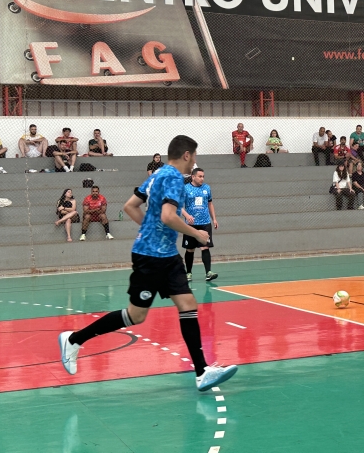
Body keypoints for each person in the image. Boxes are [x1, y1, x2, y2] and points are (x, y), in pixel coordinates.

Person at [58, 135, 238, 392]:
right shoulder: (174, 178)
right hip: (150, 256)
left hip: (167, 255)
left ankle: (202, 372)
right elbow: (168, 216)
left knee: (187, 303)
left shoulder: (157, 175)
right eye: (194, 156)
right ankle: (74, 340)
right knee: (136, 315)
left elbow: (130, 206)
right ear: (186, 155)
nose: (195, 162)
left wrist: (149, 228)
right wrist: (196, 234)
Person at [181, 167, 219, 282]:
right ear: (193, 177)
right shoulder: (185, 189)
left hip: (205, 223)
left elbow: (210, 204)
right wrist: (187, 216)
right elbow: (179, 206)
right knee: (190, 249)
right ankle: (188, 273)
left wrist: (214, 219)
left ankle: (208, 272)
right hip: (191, 224)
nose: (202, 178)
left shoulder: (207, 188)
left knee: (205, 247)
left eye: (203, 176)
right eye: (200, 176)